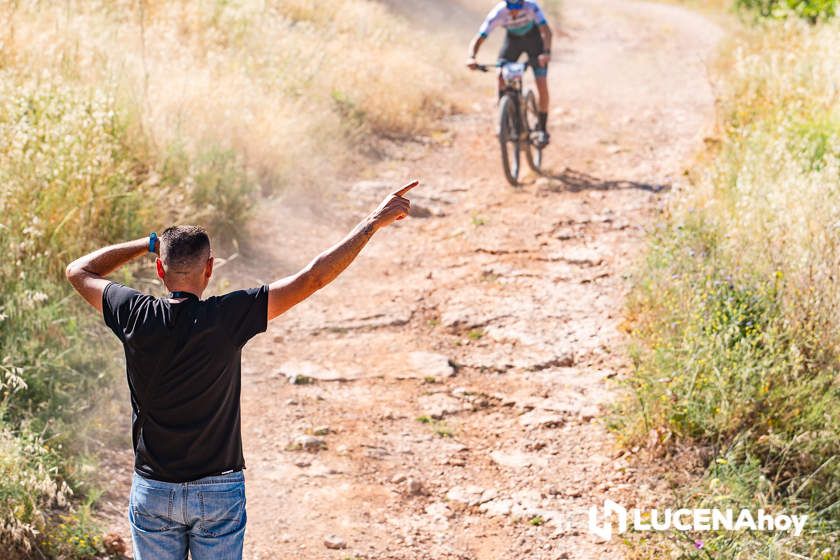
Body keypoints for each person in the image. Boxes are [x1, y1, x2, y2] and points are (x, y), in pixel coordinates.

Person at [64, 181, 418, 560]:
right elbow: (312, 277)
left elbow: (78, 270)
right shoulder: (228, 316)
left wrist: (148, 242)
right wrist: (371, 222)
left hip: (154, 490)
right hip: (218, 490)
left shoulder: (135, 313)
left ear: (159, 269)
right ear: (210, 269)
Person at [467, 0, 553, 147]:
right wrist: (471, 57)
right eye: (511, 9)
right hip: (513, 43)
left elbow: (546, 31)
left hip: (535, 42)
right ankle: (504, 118)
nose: (514, 12)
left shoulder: (531, 7)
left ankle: (542, 128)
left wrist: (546, 53)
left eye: (518, 8)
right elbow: (480, 37)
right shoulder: (499, 12)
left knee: (541, 83)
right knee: (500, 74)